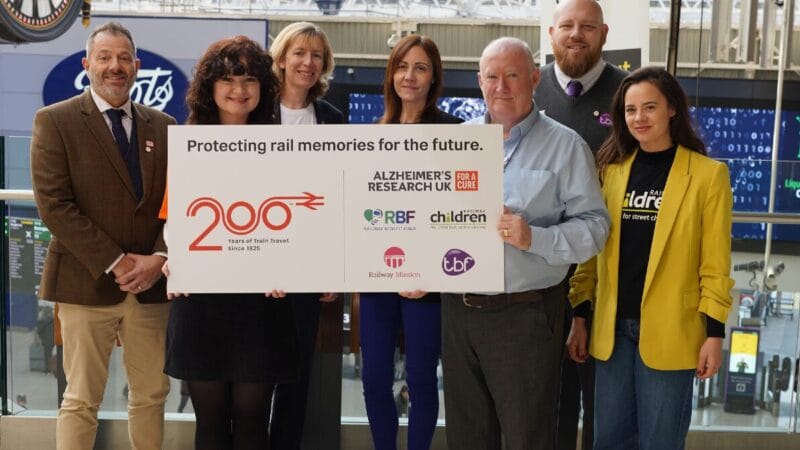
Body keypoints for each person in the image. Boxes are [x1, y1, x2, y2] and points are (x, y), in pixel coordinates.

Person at [441, 37, 609, 450]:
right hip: (458, 313)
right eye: (492, 77)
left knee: (526, 437)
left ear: (534, 78)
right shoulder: (456, 144)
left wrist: (535, 237)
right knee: (467, 437)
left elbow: (595, 227)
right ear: (479, 82)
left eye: (513, 75)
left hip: (526, 315)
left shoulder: (566, 146)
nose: (502, 86)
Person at [567, 66, 733, 450]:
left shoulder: (708, 176)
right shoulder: (610, 170)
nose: (639, 118)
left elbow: (715, 263)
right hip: (612, 331)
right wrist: (580, 312)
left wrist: (714, 333)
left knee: (660, 441)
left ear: (672, 109)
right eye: (630, 110)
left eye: (649, 107)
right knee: (608, 440)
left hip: (673, 331)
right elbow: (592, 251)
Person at [30, 21, 174, 450]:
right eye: (106, 57)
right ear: (87, 64)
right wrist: (119, 261)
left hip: (151, 286)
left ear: (137, 66)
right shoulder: (55, 121)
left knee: (151, 396)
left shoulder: (163, 125)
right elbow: (54, 205)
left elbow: (182, 202)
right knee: (80, 399)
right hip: (85, 282)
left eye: (124, 58)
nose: (116, 66)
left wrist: (161, 256)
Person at [161, 36, 297, 450]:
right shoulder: (187, 143)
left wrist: (287, 265)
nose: (239, 90)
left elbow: (295, 217)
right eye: (229, 78)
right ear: (210, 86)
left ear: (264, 88)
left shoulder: (283, 147)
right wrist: (175, 260)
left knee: (254, 420)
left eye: (250, 79)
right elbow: (177, 217)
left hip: (262, 300)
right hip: (201, 297)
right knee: (211, 422)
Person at [359, 34, 461, 450]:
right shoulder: (372, 134)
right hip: (377, 273)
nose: (409, 76)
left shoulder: (455, 133)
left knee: (420, 379)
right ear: (391, 75)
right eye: (402, 67)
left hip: (428, 279)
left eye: (420, 68)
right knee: (374, 378)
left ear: (434, 76)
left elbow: (460, 212)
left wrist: (431, 271)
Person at [533, 1, 628, 448]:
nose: (576, 35)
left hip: (608, 271)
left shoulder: (630, 93)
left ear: (604, 33)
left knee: (602, 405)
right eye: (567, 26)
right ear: (550, 33)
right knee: (548, 403)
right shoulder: (527, 89)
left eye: (587, 27)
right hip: (537, 270)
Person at [268, 21, 341, 450]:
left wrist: (333, 268)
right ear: (280, 58)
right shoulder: (254, 112)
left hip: (307, 268)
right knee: (256, 379)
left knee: (296, 379)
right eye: (299, 52)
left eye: (316, 56)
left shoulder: (331, 119)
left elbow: (336, 199)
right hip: (255, 261)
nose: (307, 62)